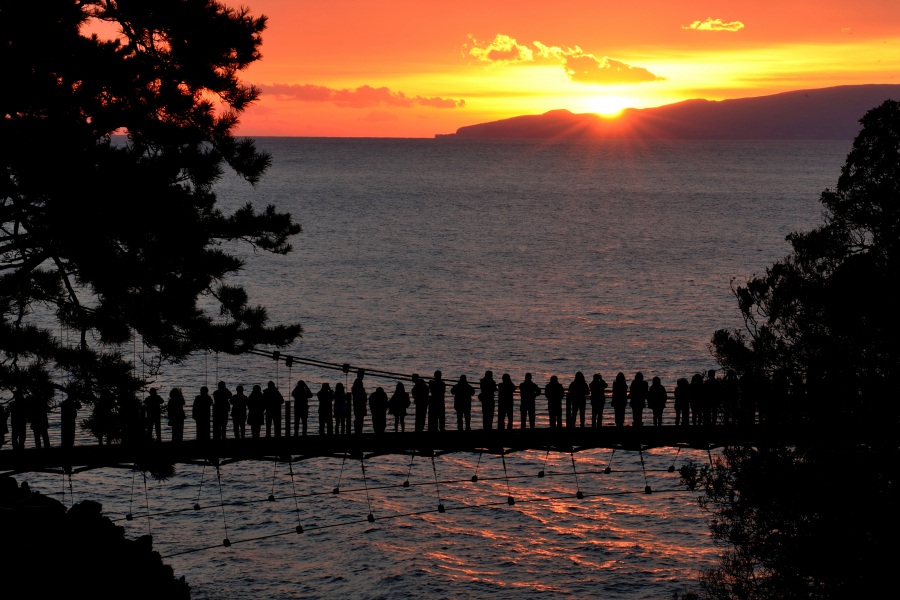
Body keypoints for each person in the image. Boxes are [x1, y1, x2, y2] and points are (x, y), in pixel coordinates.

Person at [351, 370, 367, 435]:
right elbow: (361, 394)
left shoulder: (357, 382)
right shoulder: (359, 382)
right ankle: (358, 432)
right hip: (360, 405)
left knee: (358, 418)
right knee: (359, 419)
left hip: (357, 405)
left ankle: (358, 432)